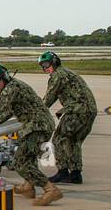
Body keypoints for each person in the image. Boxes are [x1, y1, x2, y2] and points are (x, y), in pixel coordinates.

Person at [0, 63, 61, 206]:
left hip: (37, 127)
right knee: (28, 157)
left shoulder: (10, 89)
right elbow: (9, 110)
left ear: (4, 77)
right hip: (38, 125)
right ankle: (28, 187)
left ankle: (50, 189)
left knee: (20, 162)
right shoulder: (14, 86)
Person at [39, 50, 97, 185]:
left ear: (54, 62)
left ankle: (63, 172)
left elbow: (49, 98)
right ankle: (76, 174)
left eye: (47, 64)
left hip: (76, 111)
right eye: (42, 66)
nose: (45, 68)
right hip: (88, 111)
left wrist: (37, 112)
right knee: (73, 142)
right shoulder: (69, 73)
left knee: (59, 139)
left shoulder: (57, 75)